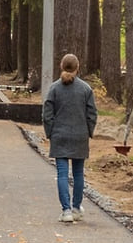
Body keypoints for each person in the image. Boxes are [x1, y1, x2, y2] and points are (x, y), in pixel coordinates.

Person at [42, 53, 98, 223]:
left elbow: (47, 114)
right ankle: (76, 207)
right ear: (77, 67)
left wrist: (50, 132)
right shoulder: (86, 89)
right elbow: (92, 114)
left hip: (59, 135)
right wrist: (89, 131)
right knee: (79, 173)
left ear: (61, 66)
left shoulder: (54, 88)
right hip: (79, 136)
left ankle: (65, 210)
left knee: (62, 174)